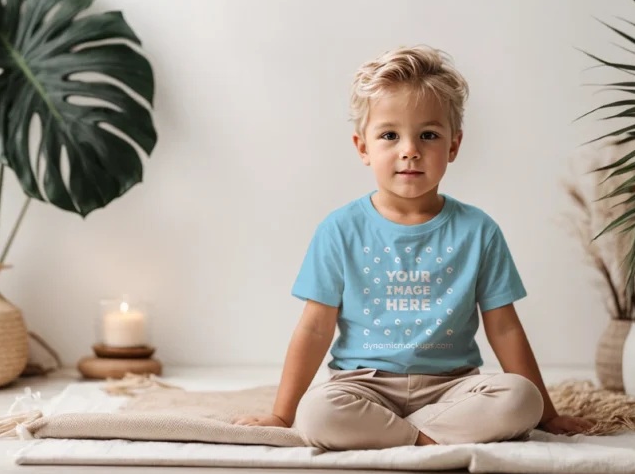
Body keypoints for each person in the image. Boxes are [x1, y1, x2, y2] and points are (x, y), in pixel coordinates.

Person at [233, 45, 595, 450]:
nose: (410, 149)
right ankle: (431, 438)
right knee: (317, 413)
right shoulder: (339, 229)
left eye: (428, 135)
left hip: (452, 388)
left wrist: (547, 413)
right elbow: (315, 327)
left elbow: (505, 326)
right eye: (390, 135)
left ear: (453, 146)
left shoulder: (478, 230)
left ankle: (394, 436)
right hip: (364, 387)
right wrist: (282, 415)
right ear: (363, 147)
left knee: (519, 399)